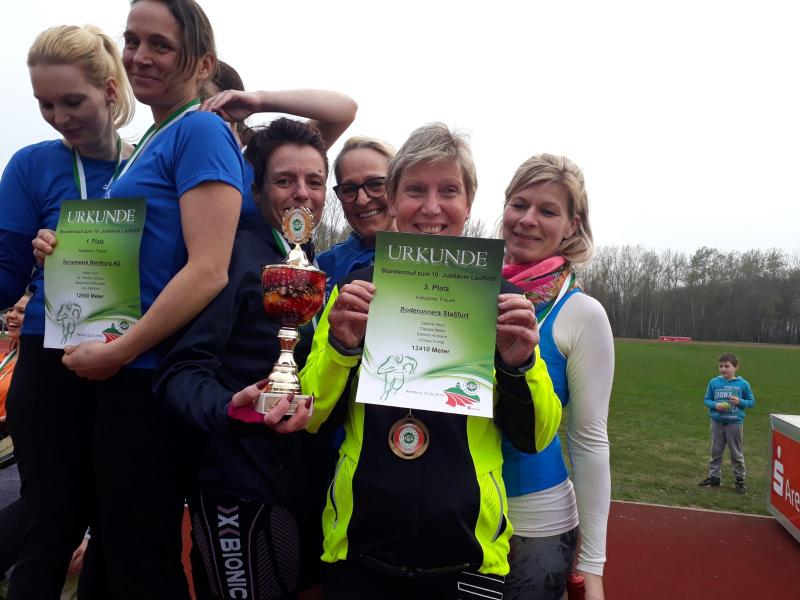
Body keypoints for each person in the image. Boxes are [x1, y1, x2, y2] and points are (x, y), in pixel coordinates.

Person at [30, 1, 243, 596]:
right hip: (122, 371)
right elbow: (144, 254)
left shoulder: (200, 130)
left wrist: (120, 351)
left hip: (147, 375)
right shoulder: (155, 137)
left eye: (160, 45)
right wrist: (64, 252)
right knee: (115, 549)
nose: (139, 57)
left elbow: (208, 270)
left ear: (202, 63)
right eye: (132, 40)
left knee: (140, 558)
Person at [299, 124, 563, 600]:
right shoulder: (356, 292)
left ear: (469, 201)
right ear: (394, 199)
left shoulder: (504, 301)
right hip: (360, 553)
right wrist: (341, 347)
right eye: (416, 190)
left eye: (449, 191)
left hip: (469, 557)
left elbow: (537, 435)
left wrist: (519, 365)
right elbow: (310, 414)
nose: (432, 207)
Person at [154, 117, 348, 599]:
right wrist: (230, 407)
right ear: (256, 191)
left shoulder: (309, 262)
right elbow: (179, 371)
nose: (302, 193)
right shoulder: (232, 258)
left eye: (314, 181)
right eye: (284, 180)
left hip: (301, 483)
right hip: (238, 486)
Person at [0, 23, 136, 599]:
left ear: (110, 90)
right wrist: (39, 258)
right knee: (49, 526)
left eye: (72, 101)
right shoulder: (31, 165)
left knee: (120, 528)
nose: (58, 117)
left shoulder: (152, 162)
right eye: (45, 103)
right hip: (49, 361)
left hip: (131, 361)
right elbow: (5, 275)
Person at [499, 154, 614, 600]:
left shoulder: (582, 313)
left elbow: (589, 441)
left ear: (571, 225)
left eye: (547, 211)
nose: (527, 220)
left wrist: (593, 567)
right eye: (518, 204)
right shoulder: (469, 289)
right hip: (456, 510)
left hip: (534, 524)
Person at [200, 61, 358, 218]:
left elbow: (346, 109)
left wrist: (260, 100)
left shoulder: (260, 161)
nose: (199, 114)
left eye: (209, 103)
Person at [317, 137, 397, 299]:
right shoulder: (321, 267)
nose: (362, 200)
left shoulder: (437, 261)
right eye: (349, 189)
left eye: (375, 184)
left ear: (398, 186)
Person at [698, 352, 756, 494]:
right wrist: (715, 405)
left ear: (735, 367)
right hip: (717, 423)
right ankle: (714, 477)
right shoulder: (714, 382)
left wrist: (740, 401)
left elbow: (751, 402)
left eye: (727, 366)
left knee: (736, 453)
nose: (723, 369)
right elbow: (707, 400)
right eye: (721, 366)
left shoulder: (743, 384)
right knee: (715, 451)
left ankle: (739, 479)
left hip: (734, 423)